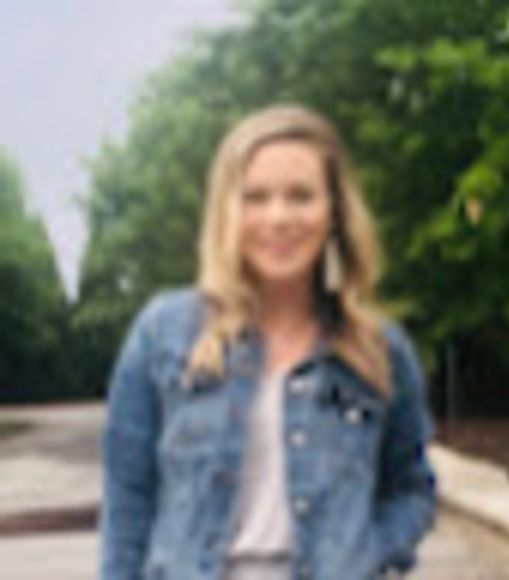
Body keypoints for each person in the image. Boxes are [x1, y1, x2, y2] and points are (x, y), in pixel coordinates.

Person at [98, 104, 437, 580]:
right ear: (227, 211)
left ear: (334, 212)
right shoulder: (164, 333)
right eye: (255, 197)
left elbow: (412, 490)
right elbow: (127, 502)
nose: (278, 217)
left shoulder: (378, 349)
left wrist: (367, 552)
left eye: (301, 196)